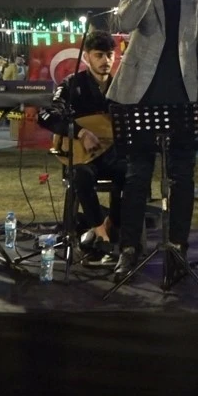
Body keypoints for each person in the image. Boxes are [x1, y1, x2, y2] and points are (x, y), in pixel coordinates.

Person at [106, 0, 198, 280]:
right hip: (140, 98)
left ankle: (178, 249)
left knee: (181, 179)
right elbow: (124, 22)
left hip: (183, 101)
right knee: (137, 177)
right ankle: (129, 249)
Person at [49, 30, 124, 267]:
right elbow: (47, 114)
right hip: (82, 159)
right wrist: (81, 132)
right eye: (99, 55)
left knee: (134, 174)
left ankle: (112, 229)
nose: (105, 61)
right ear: (87, 57)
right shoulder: (72, 84)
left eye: (109, 55)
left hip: (112, 157)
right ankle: (102, 236)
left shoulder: (120, 88)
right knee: (81, 175)